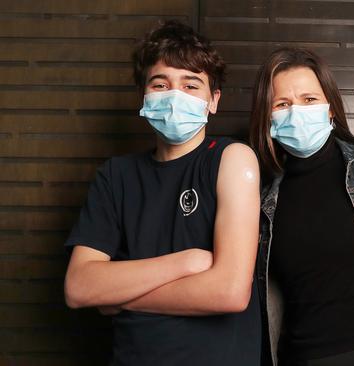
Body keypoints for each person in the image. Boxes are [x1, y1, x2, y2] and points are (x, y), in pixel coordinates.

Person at [63, 20, 261, 365]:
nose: (174, 97)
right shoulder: (115, 176)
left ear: (213, 101)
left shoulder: (232, 159)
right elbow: (79, 287)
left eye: (191, 85)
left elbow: (229, 292)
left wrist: (119, 296)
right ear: (144, 95)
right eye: (160, 84)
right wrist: (187, 262)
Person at [249, 47, 354, 366]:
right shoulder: (259, 199)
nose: (296, 112)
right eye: (282, 104)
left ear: (330, 108)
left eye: (309, 99)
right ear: (267, 117)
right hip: (302, 356)